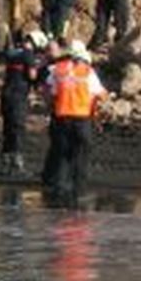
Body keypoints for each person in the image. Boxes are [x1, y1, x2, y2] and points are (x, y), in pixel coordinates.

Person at [41, 39, 107, 202]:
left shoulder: (57, 69)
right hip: (82, 119)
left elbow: (49, 92)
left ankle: (59, 188)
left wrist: (52, 107)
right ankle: (79, 190)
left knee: (62, 153)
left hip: (61, 117)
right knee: (81, 154)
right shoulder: (87, 71)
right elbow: (101, 94)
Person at [0, 28, 46, 176]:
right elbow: (32, 76)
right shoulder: (28, 55)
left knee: (8, 129)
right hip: (18, 96)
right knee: (18, 129)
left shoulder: (12, 52)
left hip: (6, 94)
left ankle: (5, 164)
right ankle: (17, 165)